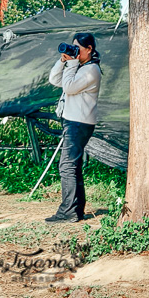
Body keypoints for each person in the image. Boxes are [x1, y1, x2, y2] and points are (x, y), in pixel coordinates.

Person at [46, 32, 102, 223]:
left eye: (78, 48)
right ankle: (76, 210)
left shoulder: (91, 70)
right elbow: (55, 80)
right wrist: (62, 61)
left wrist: (70, 64)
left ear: (89, 49)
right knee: (73, 166)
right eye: (73, 47)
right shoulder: (79, 67)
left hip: (79, 123)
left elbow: (68, 88)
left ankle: (67, 212)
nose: (74, 51)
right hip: (74, 121)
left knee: (67, 166)